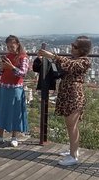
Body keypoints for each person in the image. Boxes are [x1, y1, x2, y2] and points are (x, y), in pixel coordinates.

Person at [38, 36, 92, 166]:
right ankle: (73, 151)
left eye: (75, 46)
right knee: (71, 126)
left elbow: (70, 65)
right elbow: (62, 67)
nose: (71, 47)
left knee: (72, 126)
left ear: (82, 50)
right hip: (68, 94)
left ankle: (73, 156)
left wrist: (53, 56)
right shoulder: (74, 59)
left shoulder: (84, 61)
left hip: (74, 95)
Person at [0, 35, 29, 147]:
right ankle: (0, 135)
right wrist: (2, 67)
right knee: (2, 109)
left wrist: (11, 67)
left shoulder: (23, 57)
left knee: (15, 111)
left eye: (12, 46)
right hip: (4, 86)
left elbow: (23, 73)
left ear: (17, 44)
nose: (10, 49)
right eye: (8, 47)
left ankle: (14, 136)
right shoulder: (7, 56)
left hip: (16, 87)